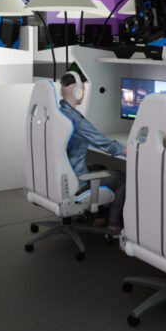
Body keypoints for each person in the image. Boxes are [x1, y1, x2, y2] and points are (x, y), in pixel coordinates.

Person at [58, 71, 127, 230]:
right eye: (82, 89)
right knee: (122, 177)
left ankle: (100, 217)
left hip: (60, 175)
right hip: (75, 180)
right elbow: (106, 145)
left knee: (101, 168)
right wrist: (127, 149)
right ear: (77, 92)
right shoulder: (76, 120)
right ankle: (113, 225)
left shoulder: (58, 112)